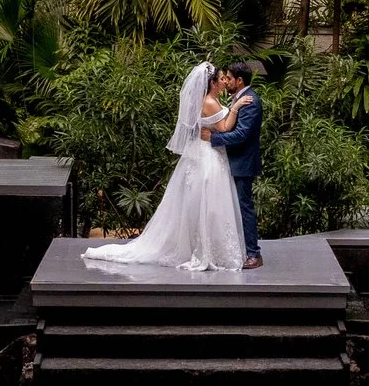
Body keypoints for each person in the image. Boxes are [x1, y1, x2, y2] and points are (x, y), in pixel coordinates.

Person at [81, 61, 247, 273]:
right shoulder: (209, 102)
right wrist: (235, 108)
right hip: (208, 155)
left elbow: (213, 128)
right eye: (221, 78)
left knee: (205, 203)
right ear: (212, 83)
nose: (224, 81)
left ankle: (206, 245)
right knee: (209, 201)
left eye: (226, 78)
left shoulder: (210, 99)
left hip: (204, 151)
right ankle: (206, 249)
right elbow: (224, 127)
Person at [207, 59, 265, 269]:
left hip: (242, 163)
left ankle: (253, 254)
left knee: (244, 207)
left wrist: (212, 139)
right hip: (232, 162)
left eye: (229, 78)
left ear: (239, 81)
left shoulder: (251, 100)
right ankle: (241, 249)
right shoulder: (238, 98)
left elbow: (241, 135)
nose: (226, 81)